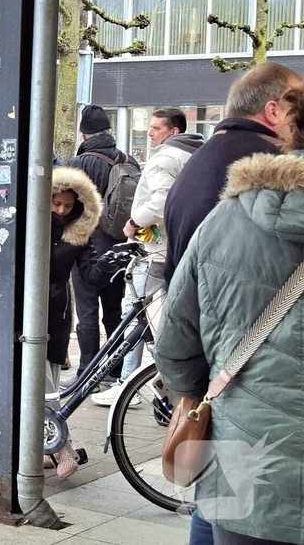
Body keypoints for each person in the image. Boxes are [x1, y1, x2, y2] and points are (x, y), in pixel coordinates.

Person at [156, 75, 304, 545]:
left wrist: (200, 396)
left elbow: (175, 341)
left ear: (293, 128)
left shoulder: (227, 217)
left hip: (243, 464)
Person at [91, 107, 204, 406]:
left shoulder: (163, 159)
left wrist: (134, 222)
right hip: (180, 248)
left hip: (155, 251)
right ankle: (155, 385)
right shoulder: (196, 157)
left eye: (156, 128)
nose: (150, 133)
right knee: (160, 320)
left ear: (173, 131)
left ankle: (137, 386)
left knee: (142, 318)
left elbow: (161, 203)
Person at [163, 62, 300, 284]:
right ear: (274, 111)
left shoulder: (199, 159)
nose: (303, 123)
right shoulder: (274, 165)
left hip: (188, 298)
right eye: (299, 111)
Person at [46, 166, 124, 478]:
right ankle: (61, 449)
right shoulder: (32, 226)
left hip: (57, 313)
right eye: (56, 204)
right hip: (24, 312)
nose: (62, 211)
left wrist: (109, 263)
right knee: (41, 386)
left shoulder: (78, 232)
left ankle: (44, 446)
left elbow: (90, 274)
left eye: (68, 206)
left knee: (48, 385)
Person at [67, 104, 139, 382]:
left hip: (85, 247)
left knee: (87, 312)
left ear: (84, 134)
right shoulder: (127, 161)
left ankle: (87, 373)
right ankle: (114, 370)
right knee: (114, 311)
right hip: (118, 246)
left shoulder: (77, 165)